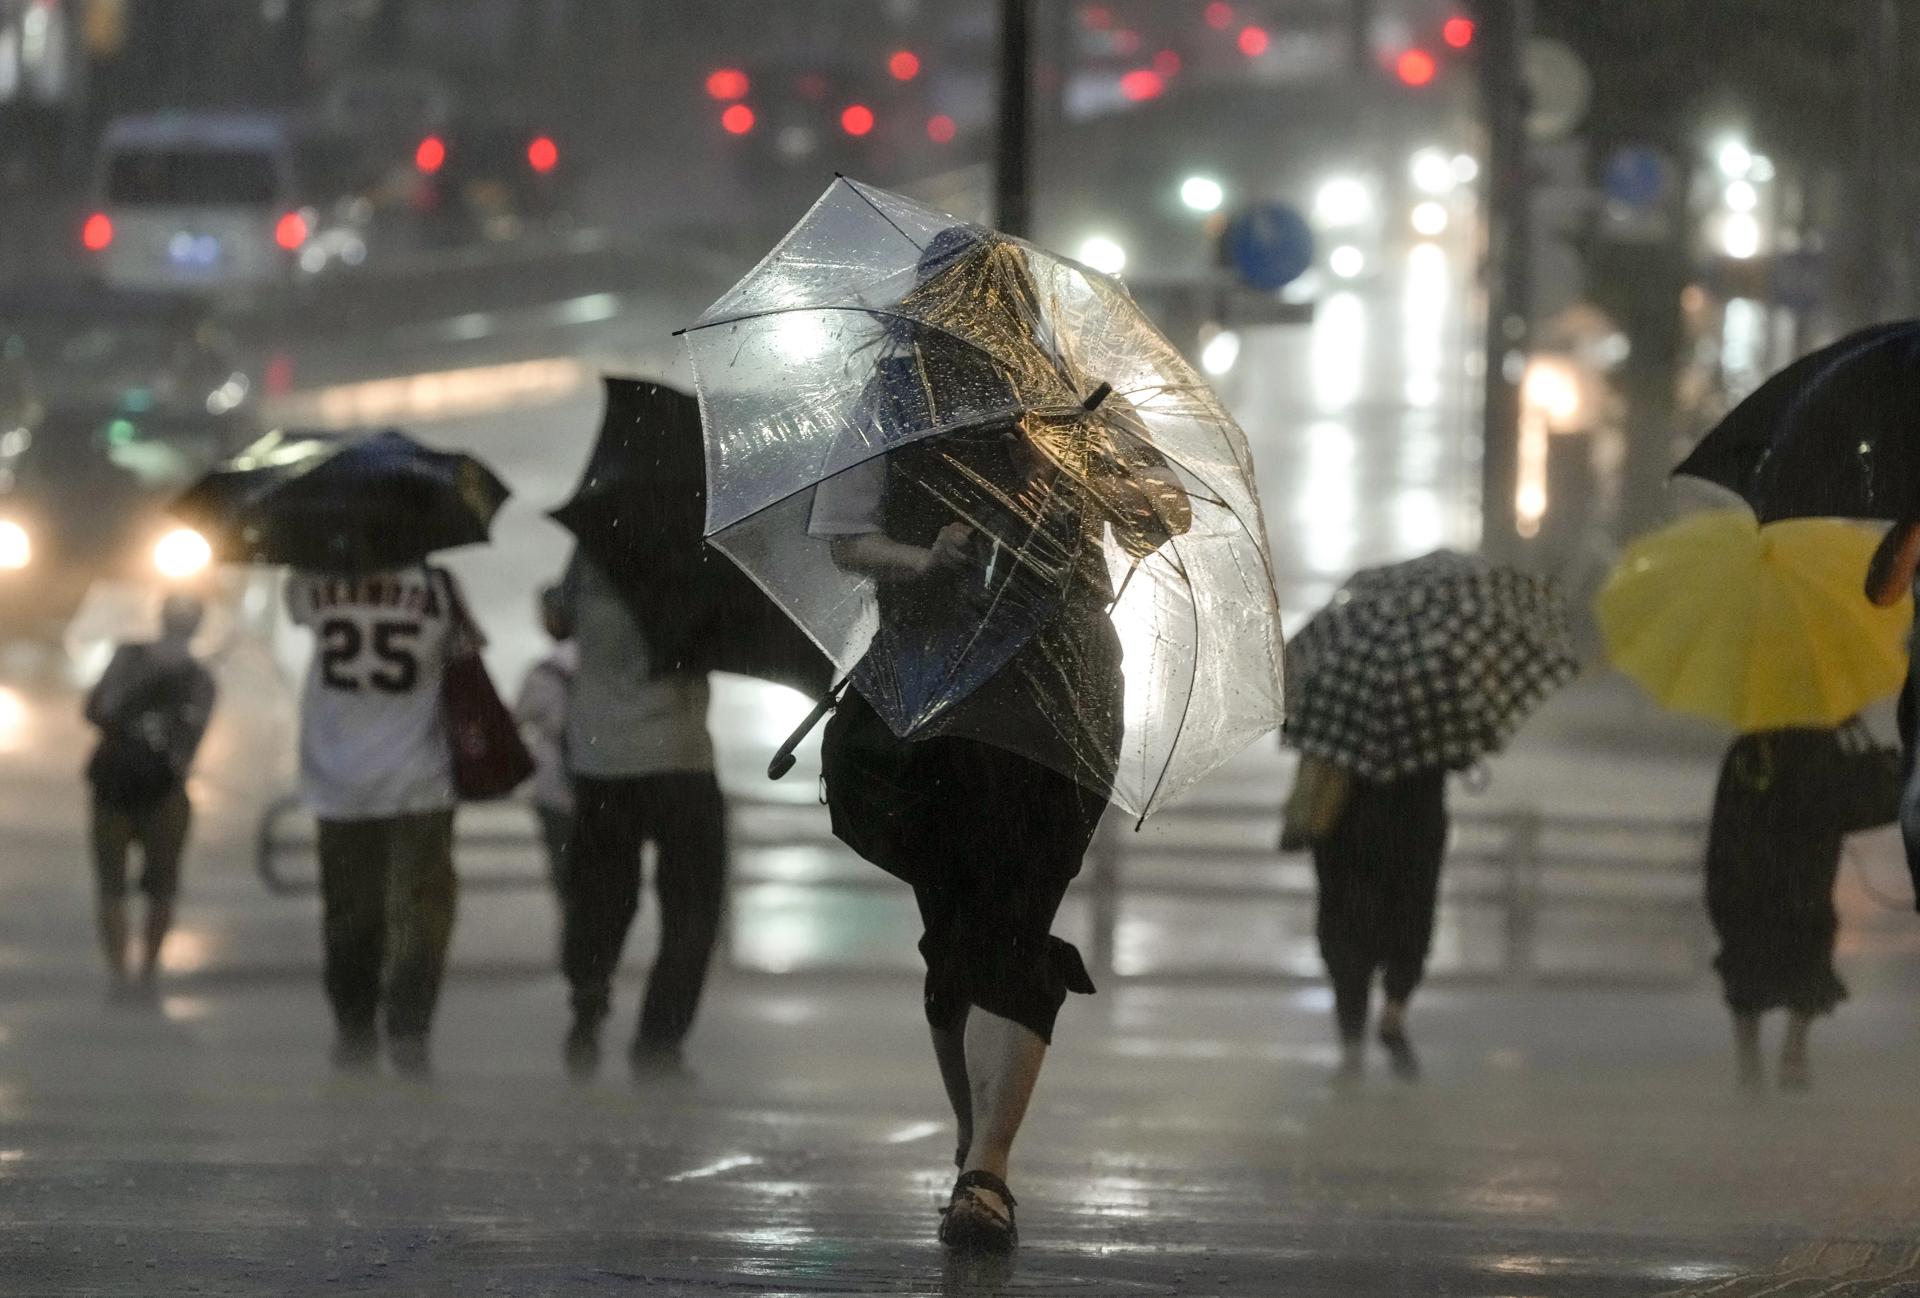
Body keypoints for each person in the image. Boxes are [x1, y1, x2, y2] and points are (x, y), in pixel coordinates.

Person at [811, 229, 1189, 1252]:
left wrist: (1114, 485)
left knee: (1004, 919)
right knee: (959, 933)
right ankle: (979, 1151)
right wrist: (926, 556)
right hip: (936, 690)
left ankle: (986, 1163)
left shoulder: (1073, 399)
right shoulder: (893, 402)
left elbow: (1164, 508)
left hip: (1051, 694)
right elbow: (849, 538)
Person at [287, 564, 473, 1077]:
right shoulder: (437, 586)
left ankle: (354, 1028)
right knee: (421, 913)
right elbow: (466, 650)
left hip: (338, 777)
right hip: (420, 779)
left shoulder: (311, 582)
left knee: (349, 910)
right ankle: (409, 1028)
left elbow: (297, 612)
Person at [556, 547, 726, 1080]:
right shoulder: (702, 558)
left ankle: (588, 994)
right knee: (691, 913)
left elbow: (558, 621)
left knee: (600, 898)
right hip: (681, 760)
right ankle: (658, 1041)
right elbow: (729, 639)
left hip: (602, 759)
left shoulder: (591, 549)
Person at [1706, 724, 1897, 1091]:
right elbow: (1844, 807)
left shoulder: (1748, 750)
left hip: (1754, 876)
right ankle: (1793, 1053)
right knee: (1802, 954)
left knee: (1750, 961)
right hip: (1801, 874)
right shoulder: (1818, 746)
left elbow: (1725, 825)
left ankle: (1753, 1063)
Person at [83, 594, 216, 1001]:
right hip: (153, 791)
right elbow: (189, 743)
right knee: (156, 888)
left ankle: (127, 975)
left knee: (121, 888)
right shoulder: (195, 676)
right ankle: (139, 975)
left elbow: (96, 709)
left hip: (128, 788)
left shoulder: (141, 661)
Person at [1297, 765, 1449, 1084]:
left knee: (1347, 936)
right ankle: (1393, 1013)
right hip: (1415, 832)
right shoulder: (1428, 731)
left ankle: (1352, 1043)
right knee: (1409, 925)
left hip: (1347, 830)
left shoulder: (1340, 730)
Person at [515, 583, 576, 906]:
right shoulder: (599, 666)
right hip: (599, 782)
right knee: (599, 879)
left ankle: (575, 947)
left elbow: (514, 722)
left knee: (564, 878)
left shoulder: (542, 674)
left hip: (554, 788)